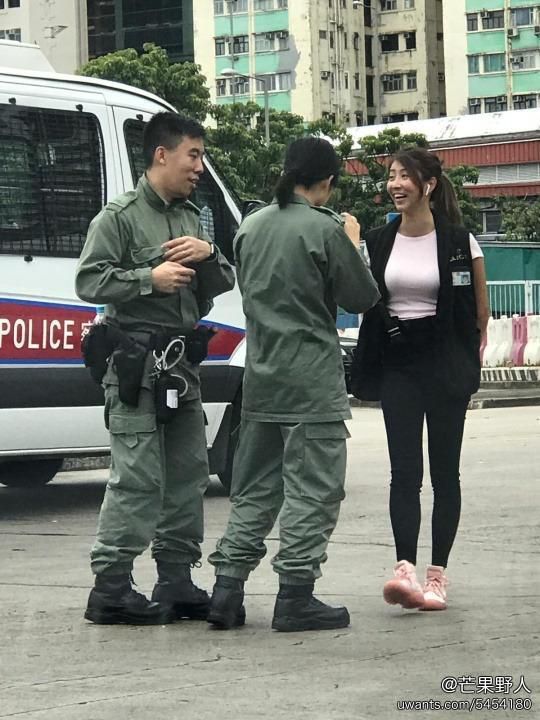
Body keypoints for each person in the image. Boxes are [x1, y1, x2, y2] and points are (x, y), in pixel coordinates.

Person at [206, 137, 380, 632]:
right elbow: (361, 296)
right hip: (311, 383)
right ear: (326, 182)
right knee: (313, 491)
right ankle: (296, 595)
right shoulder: (324, 229)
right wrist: (350, 239)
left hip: (261, 379)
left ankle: (227, 588)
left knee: (255, 490)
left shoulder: (251, 226)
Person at [75, 112, 235, 625]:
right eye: (193, 155)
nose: (199, 167)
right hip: (136, 368)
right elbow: (88, 282)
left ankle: (176, 580)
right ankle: (112, 587)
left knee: (189, 474)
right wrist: (149, 277)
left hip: (180, 367)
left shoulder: (192, 218)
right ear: (161, 154)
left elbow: (221, 283)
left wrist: (208, 254)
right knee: (139, 478)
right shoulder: (118, 217)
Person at [352, 148, 489, 612]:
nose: (395, 184)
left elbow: (479, 313)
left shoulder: (458, 241)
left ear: (427, 185)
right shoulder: (378, 239)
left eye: (404, 176)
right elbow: (366, 297)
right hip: (399, 365)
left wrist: (468, 365)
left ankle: (437, 577)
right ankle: (404, 570)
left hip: (445, 364)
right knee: (404, 473)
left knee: (444, 473)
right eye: (391, 176)